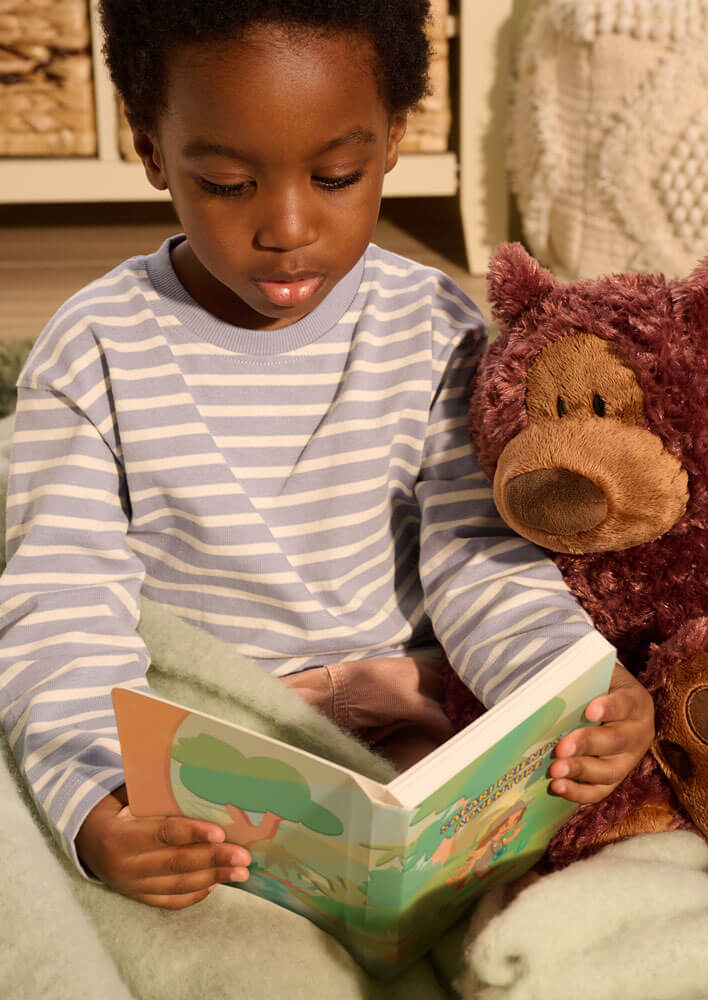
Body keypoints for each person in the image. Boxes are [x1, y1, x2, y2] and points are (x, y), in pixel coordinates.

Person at [0, 0, 654, 912]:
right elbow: (59, 604)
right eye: (229, 184)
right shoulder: (93, 352)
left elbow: (479, 555)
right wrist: (102, 807)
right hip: (212, 735)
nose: (288, 227)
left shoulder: (432, 327)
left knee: (571, 852)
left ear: (392, 141)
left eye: (338, 174)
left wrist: (569, 689)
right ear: (152, 150)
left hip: (406, 707)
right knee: (58, 852)